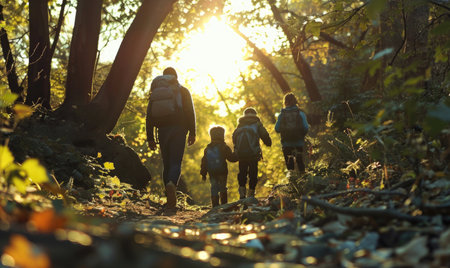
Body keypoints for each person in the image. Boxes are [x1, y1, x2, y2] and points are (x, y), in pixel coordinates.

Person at [146, 67, 196, 210]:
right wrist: (193, 132)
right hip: (179, 129)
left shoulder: (156, 91)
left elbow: (149, 115)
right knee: (176, 162)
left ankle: (169, 201)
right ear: (175, 77)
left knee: (166, 163)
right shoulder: (182, 90)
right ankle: (172, 184)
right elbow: (189, 112)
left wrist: (150, 137)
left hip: (162, 130)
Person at [232, 108, 271, 199]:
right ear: (255, 114)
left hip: (241, 154)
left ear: (244, 115)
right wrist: (268, 142)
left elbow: (234, 137)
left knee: (242, 172)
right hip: (253, 154)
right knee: (253, 173)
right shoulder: (257, 124)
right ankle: (251, 193)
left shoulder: (240, 125)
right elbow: (264, 135)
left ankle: (242, 193)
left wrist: (236, 149)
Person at [200, 126, 238, 207]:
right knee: (222, 187)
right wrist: (237, 154)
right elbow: (231, 158)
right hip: (222, 171)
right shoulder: (224, 147)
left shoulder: (207, 148)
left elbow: (204, 162)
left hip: (212, 172)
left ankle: (215, 205)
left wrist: (203, 174)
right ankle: (224, 205)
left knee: (214, 187)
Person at [275, 93, 309, 174]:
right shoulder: (300, 113)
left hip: (286, 144)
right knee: (301, 164)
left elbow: (277, 129)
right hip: (299, 143)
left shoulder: (282, 115)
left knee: (290, 168)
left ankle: (292, 183)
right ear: (295, 101)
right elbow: (306, 128)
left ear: (285, 102)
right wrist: (301, 135)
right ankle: (303, 182)